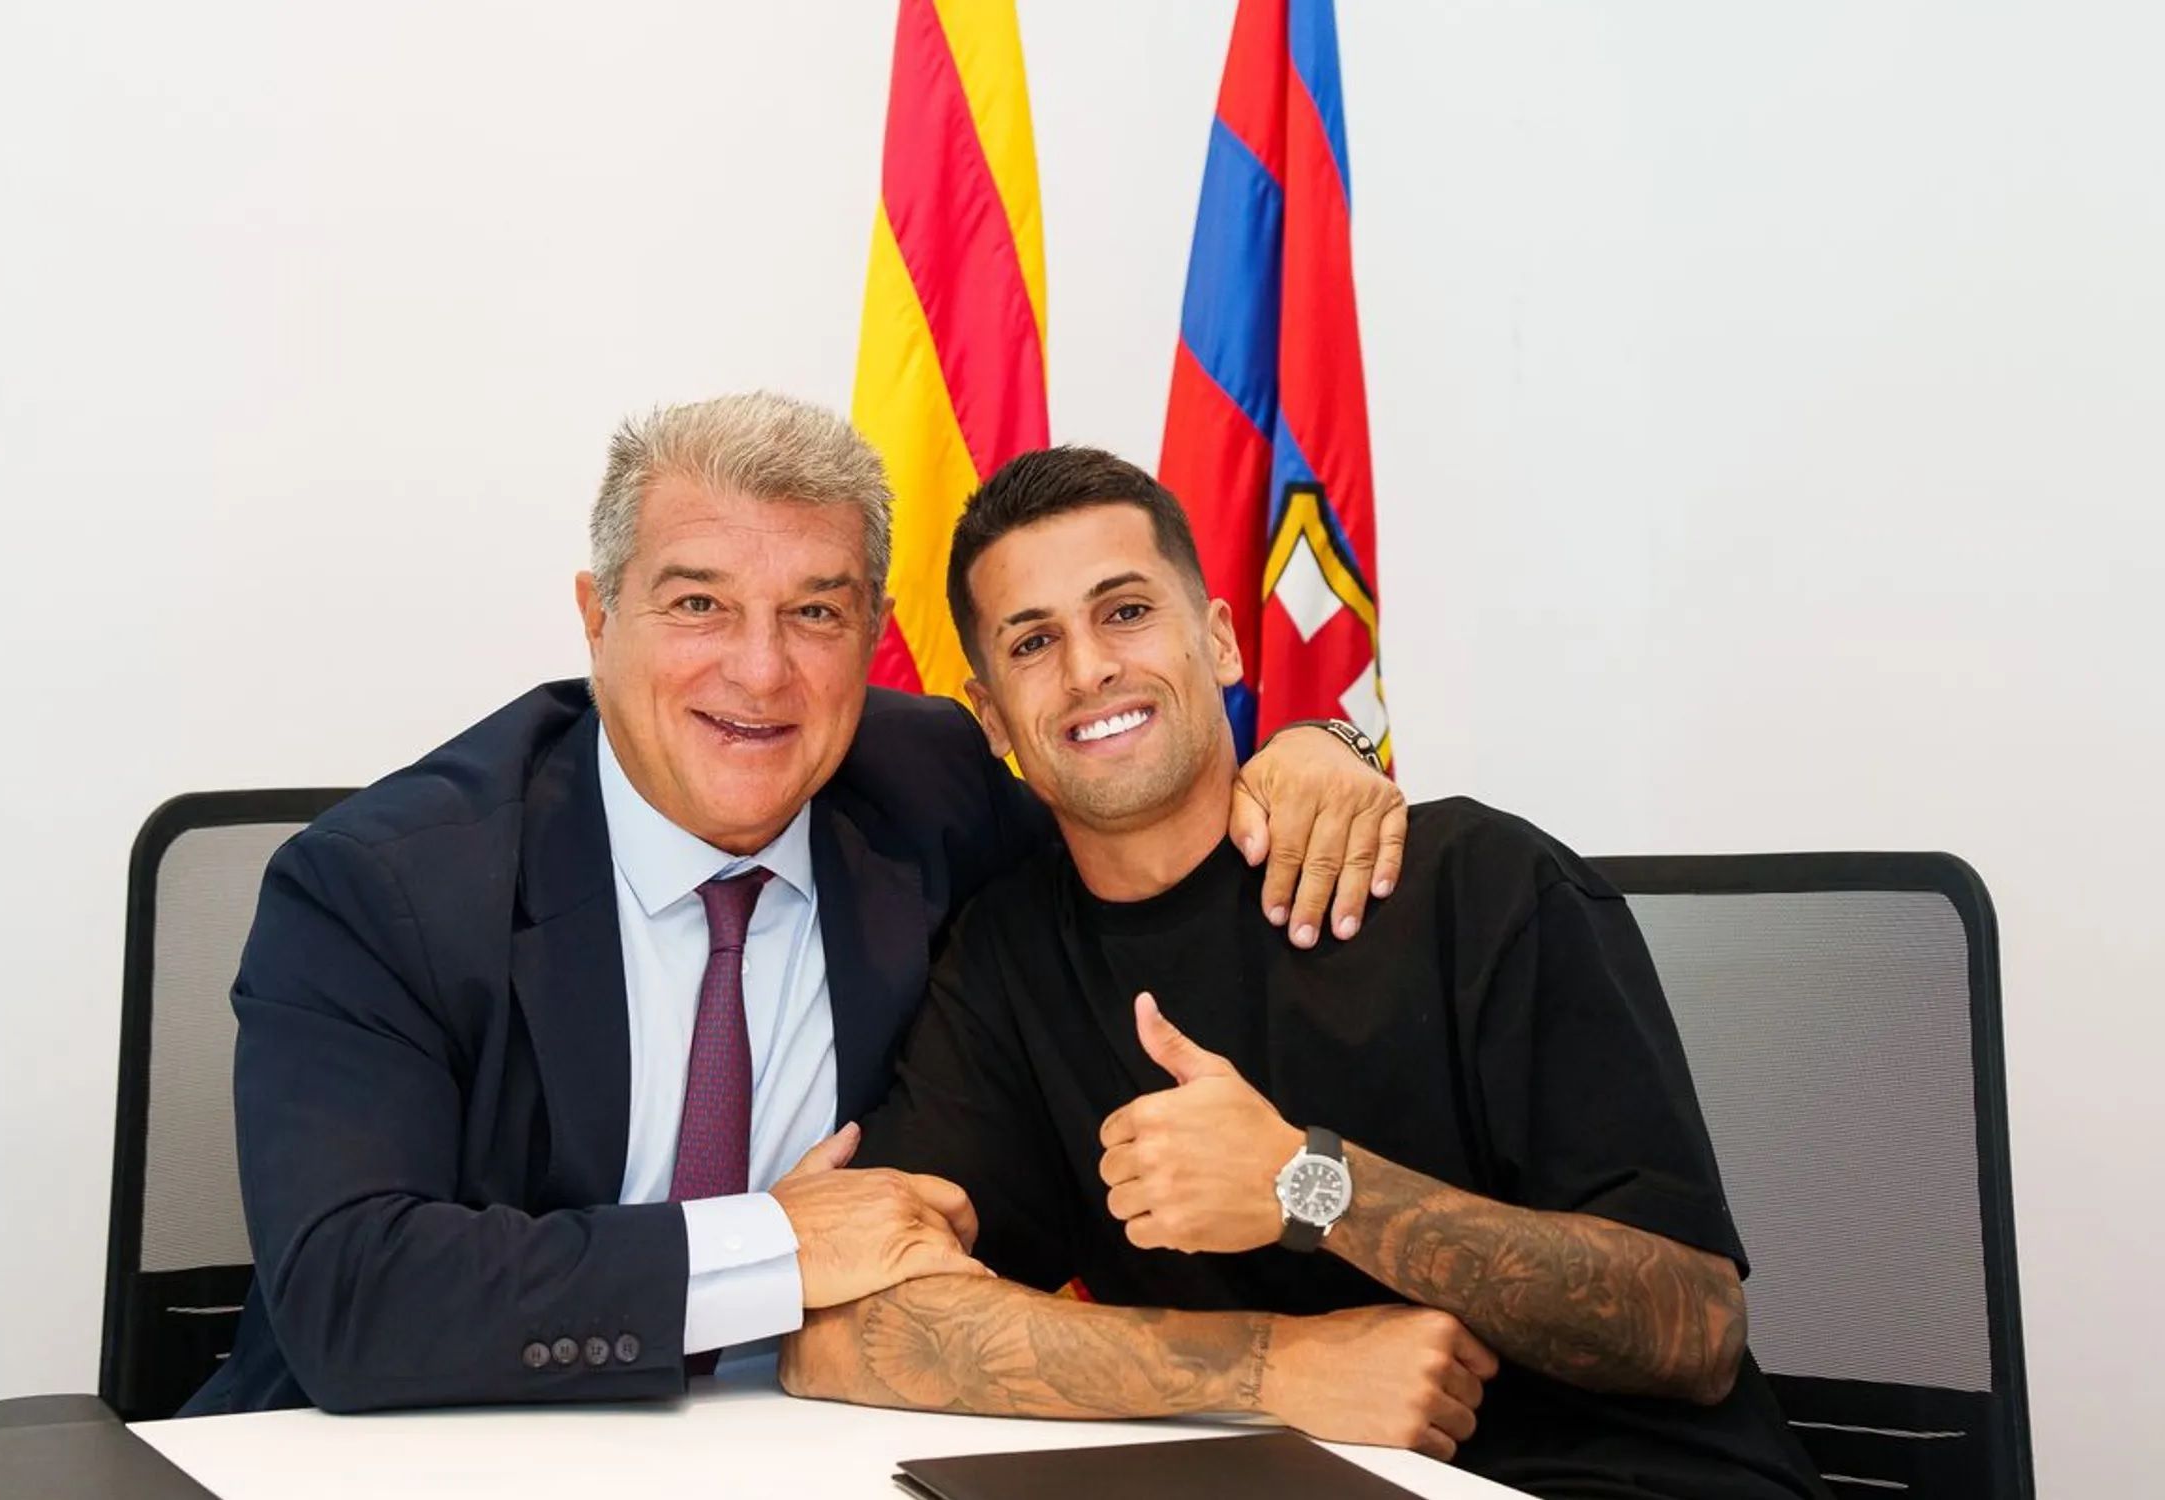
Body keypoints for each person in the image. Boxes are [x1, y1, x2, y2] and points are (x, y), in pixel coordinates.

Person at [184, 395, 1410, 1415]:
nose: (761, 672)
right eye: (698, 604)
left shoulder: (931, 789)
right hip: (422, 1459)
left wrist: (1319, 742)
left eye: (815, 612)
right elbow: (354, 1295)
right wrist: (771, 1251)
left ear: (872, 634)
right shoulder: (383, 887)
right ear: (598, 618)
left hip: (824, 1448)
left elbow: (1137, 813)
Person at [781, 447, 1828, 1500]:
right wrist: (1270, 1368)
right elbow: (844, 1329)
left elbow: (1692, 1326)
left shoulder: (1476, 881)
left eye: (1127, 612)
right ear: (993, 717)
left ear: (1220, 640)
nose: (1088, 669)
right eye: (1034, 641)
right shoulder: (1009, 959)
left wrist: (1307, 1185)